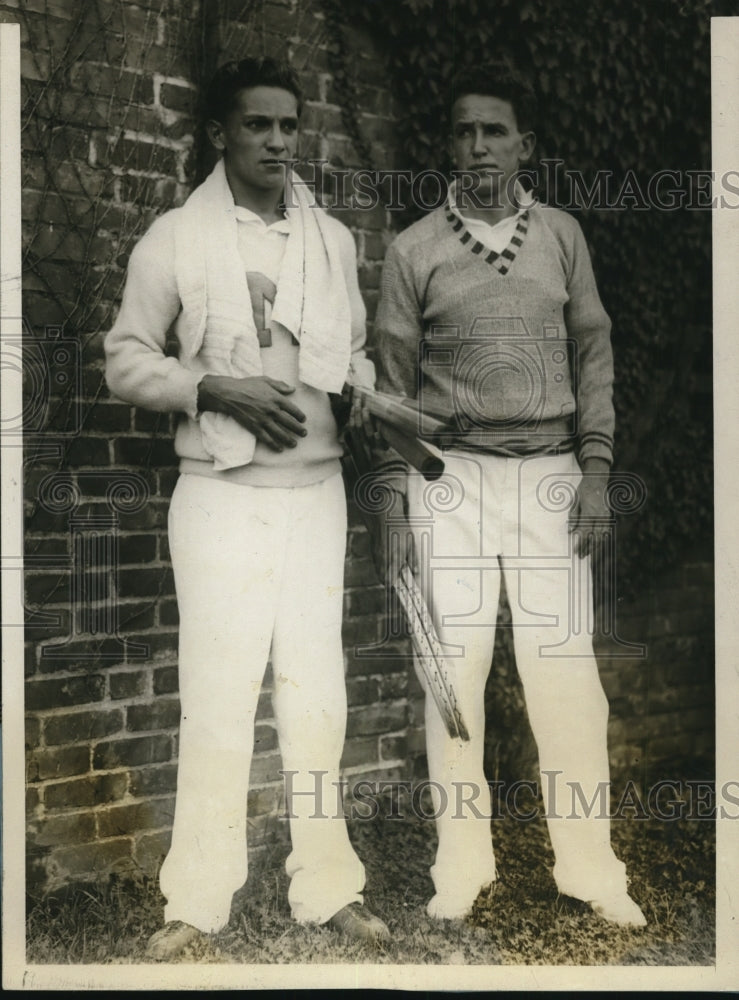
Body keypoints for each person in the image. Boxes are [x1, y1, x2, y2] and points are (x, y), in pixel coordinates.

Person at [104, 56, 390, 960]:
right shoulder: (177, 238)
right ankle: (196, 898)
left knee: (318, 700)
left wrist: (367, 392)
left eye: (287, 126)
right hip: (221, 499)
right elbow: (125, 359)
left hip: (316, 495)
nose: (274, 141)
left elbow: (353, 357)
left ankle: (327, 885)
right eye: (256, 125)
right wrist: (215, 387)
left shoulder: (330, 240)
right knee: (219, 700)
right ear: (221, 133)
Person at [368, 63, 646, 927]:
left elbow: (594, 355)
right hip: (447, 482)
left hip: (553, 477)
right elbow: (388, 388)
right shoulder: (414, 249)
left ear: (524, 145)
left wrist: (596, 473)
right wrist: (391, 501)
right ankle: (461, 865)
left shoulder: (561, 235)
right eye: (463, 131)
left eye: (494, 131)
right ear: (445, 145)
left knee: (564, 677)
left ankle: (591, 870)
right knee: (450, 673)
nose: (478, 146)